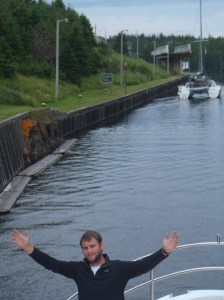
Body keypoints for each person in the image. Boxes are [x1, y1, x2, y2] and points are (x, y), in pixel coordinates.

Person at [11, 229, 179, 300]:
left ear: (101, 245)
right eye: (85, 248)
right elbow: (51, 263)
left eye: (92, 246)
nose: (89, 251)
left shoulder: (119, 269)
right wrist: (27, 247)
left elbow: (145, 265)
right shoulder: (77, 269)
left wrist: (165, 251)